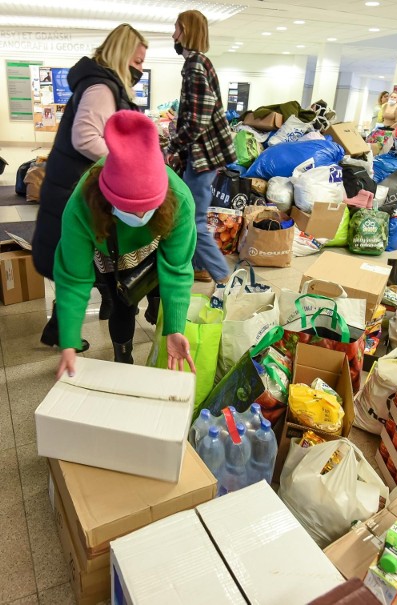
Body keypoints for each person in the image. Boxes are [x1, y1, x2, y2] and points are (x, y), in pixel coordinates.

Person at [54, 110, 197, 380]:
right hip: (111, 252)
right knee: (122, 305)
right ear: (106, 196)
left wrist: (175, 328)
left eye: (147, 209)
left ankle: (156, 307)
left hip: (154, 249)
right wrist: (70, 339)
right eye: (129, 209)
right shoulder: (81, 205)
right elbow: (73, 277)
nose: (139, 218)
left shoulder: (180, 198)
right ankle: (123, 356)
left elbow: (177, 267)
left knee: (158, 284)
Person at [32, 23, 148, 352]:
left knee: (78, 260)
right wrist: (128, 160)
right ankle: (68, 324)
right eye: (137, 62)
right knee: (80, 261)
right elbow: (85, 138)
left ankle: (58, 327)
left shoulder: (103, 83)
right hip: (75, 190)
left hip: (73, 186)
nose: (139, 69)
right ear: (121, 54)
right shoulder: (102, 86)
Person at [164, 9, 235, 284]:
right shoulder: (200, 62)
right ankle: (199, 268)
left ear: (187, 31)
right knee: (192, 211)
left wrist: (174, 144)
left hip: (203, 156)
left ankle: (222, 275)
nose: (173, 35)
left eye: (176, 28)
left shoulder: (194, 65)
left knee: (193, 219)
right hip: (205, 155)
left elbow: (199, 116)